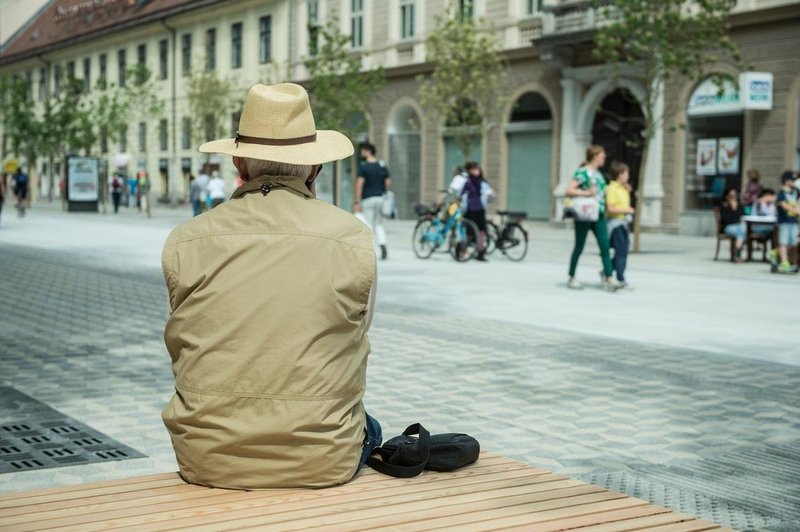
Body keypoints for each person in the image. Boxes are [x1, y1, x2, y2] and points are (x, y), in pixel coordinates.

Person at [160, 83, 381, 489]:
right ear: (314, 168)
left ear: (238, 164)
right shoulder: (354, 238)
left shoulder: (185, 239)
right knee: (371, 425)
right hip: (324, 460)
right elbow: (357, 330)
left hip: (207, 459)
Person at [566, 145, 615, 291]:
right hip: (584, 215)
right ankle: (571, 277)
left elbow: (602, 192)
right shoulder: (582, 172)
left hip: (599, 214)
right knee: (579, 245)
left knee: (605, 246)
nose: (604, 158)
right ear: (594, 156)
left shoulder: (599, 174)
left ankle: (609, 278)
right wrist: (586, 192)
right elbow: (569, 190)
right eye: (602, 156)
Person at [353, 142, 391, 260]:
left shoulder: (364, 167)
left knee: (368, 225)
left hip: (368, 199)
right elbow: (388, 183)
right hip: (380, 198)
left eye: (363, 150)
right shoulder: (382, 165)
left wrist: (357, 201)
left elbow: (359, 184)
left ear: (368, 151)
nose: (361, 153)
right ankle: (383, 244)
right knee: (378, 224)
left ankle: (370, 251)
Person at [605, 161, 635, 288]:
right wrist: (627, 210)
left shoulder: (623, 189)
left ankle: (606, 270)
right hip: (616, 225)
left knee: (623, 252)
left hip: (624, 224)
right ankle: (620, 278)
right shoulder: (611, 189)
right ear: (619, 174)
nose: (628, 175)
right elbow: (610, 209)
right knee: (621, 252)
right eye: (626, 173)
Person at [460, 162, 495, 262]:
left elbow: (490, 193)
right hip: (470, 210)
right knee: (469, 232)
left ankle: (480, 253)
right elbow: (461, 194)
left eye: (477, 169)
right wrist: (459, 200)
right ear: (470, 171)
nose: (476, 171)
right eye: (474, 169)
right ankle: (463, 251)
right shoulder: (468, 182)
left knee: (481, 232)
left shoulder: (483, 182)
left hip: (480, 210)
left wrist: (491, 197)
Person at [771, 171, 800, 273]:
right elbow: (784, 205)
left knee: (793, 243)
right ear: (786, 181)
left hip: (794, 221)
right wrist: (795, 211)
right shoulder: (781, 192)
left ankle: (775, 252)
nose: (794, 182)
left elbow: (797, 203)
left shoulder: (795, 192)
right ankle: (784, 263)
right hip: (784, 222)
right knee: (783, 242)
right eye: (792, 180)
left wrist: (797, 210)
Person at [719, 188, 746, 262]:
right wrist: (732, 209)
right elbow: (726, 220)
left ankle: (736, 252)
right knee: (742, 231)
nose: (733, 198)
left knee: (742, 229)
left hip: (739, 227)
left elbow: (743, 217)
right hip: (728, 227)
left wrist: (736, 208)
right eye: (731, 196)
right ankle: (737, 253)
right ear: (726, 197)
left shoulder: (739, 206)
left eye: (735, 196)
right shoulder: (724, 206)